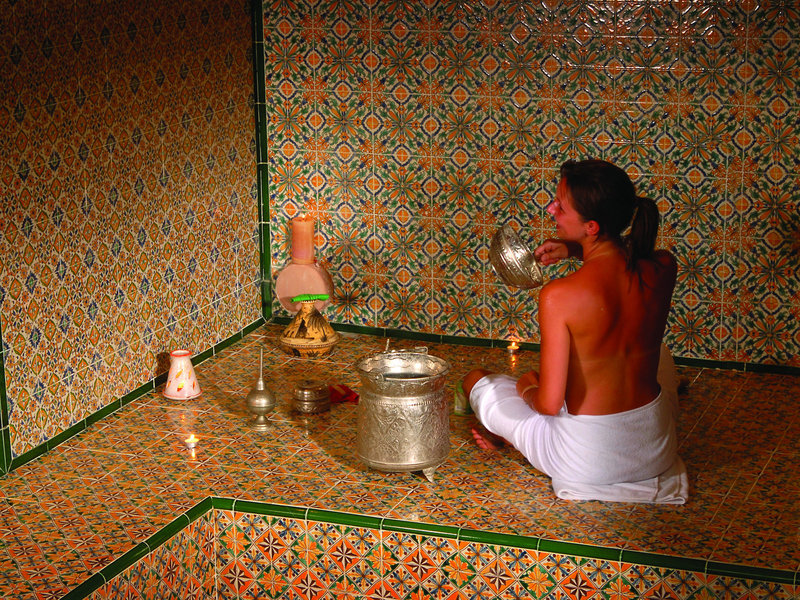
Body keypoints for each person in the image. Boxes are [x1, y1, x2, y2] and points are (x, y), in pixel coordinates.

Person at [463, 159, 684, 497]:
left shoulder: (559, 295)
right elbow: (619, 261)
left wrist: (527, 387)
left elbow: (549, 405)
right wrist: (575, 248)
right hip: (655, 451)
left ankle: (509, 436)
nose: (551, 210)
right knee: (662, 358)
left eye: (560, 206)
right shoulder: (664, 266)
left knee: (477, 380)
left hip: (585, 460)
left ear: (591, 226)